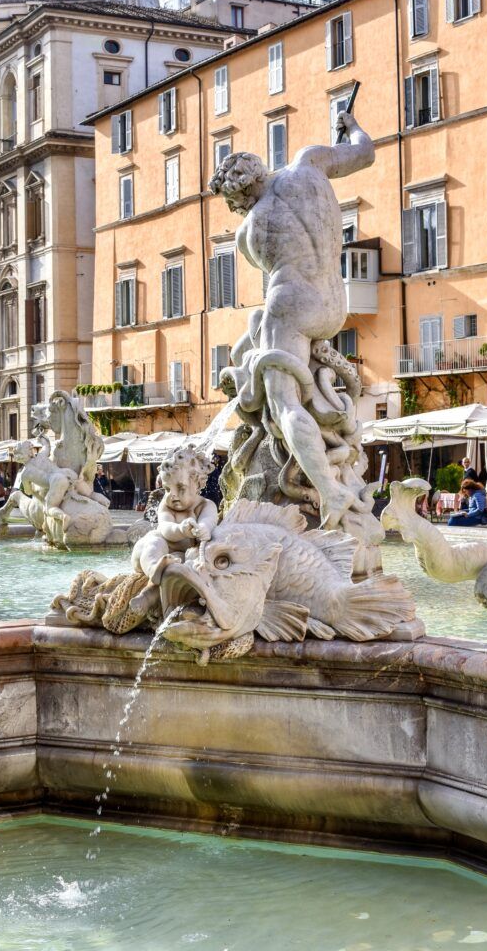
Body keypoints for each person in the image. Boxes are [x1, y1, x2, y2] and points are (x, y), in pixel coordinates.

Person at [209, 110, 375, 530]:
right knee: (254, 329)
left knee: (282, 402)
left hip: (293, 305)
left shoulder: (248, 230)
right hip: (335, 304)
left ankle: (327, 488)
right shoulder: (310, 162)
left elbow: (269, 271)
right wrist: (350, 123)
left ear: (238, 198)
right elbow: (365, 152)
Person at [130, 446, 219, 615]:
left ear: (197, 484)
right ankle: (154, 570)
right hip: (149, 554)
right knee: (155, 540)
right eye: (167, 489)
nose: (172, 494)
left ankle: (147, 597)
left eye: (181, 488)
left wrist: (203, 529)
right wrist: (181, 530)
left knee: (181, 565)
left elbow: (209, 521)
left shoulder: (206, 505)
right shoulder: (166, 505)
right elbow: (165, 529)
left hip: (176, 557)